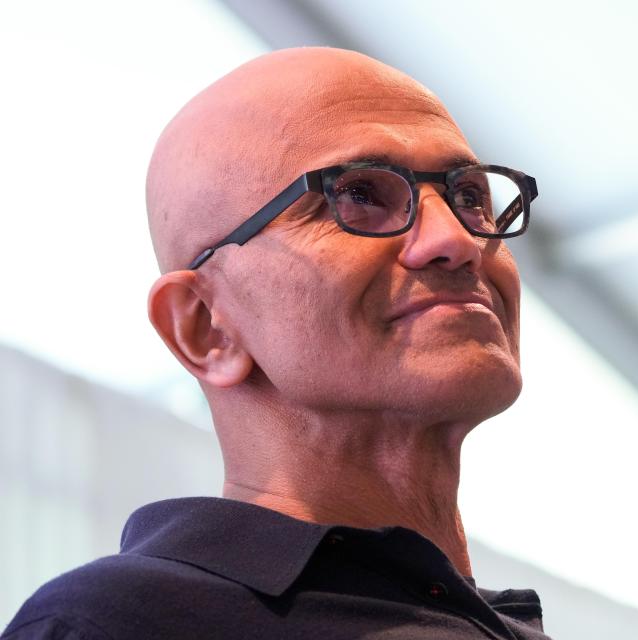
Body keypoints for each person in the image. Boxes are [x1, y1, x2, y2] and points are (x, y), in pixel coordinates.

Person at [2, 47, 546, 639]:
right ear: (205, 326)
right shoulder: (116, 625)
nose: (456, 239)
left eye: (468, 196)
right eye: (358, 194)